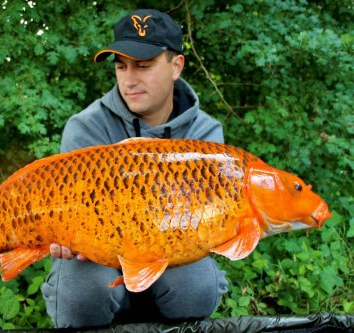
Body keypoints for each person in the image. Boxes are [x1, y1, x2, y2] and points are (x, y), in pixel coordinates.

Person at [41, 8, 228, 328]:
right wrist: (60, 232)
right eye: (121, 66)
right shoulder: (86, 128)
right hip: (98, 258)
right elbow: (66, 211)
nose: (129, 79)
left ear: (176, 66)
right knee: (79, 291)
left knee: (198, 285)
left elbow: (211, 227)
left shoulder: (206, 135)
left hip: (173, 255)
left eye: (143, 65)